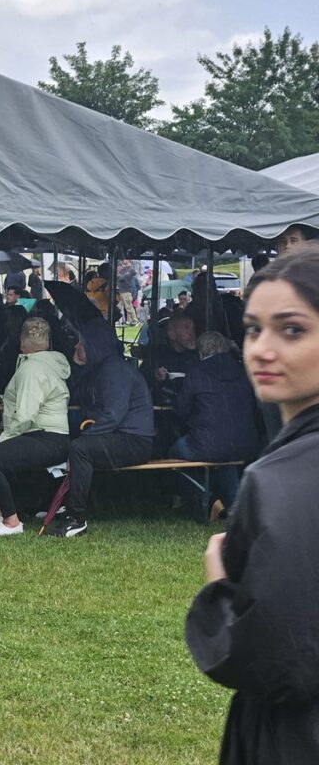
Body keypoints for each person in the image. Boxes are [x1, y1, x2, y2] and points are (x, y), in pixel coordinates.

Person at [185, 248, 319, 765]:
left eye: (292, 330)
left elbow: (276, 659)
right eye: (253, 329)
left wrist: (219, 588)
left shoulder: (282, 479)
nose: (262, 350)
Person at [50, 318, 154, 537]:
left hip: (134, 440)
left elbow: (113, 415)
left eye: (81, 343)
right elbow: (78, 394)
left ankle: (76, 518)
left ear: (93, 346)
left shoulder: (114, 370)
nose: (76, 346)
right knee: (73, 442)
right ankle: (64, 506)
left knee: (81, 449)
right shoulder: (102, 367)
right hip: (124, 435)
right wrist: (78, 366)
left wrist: (88, 434)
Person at [0, 318, 71, 536]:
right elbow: (23, 394)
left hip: (44, 438)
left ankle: (11, 521)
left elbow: (26, 414)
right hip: (51, 437)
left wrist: (5, 438)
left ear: (21, 342)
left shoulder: (31, 369)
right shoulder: (46, 363)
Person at [170, 331, 259, 517]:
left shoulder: (196, 372)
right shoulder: (242, 371)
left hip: (208, 444)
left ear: (201, 352)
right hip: (244, 442)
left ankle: (206, 497)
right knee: (225, 457)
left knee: (173, 453)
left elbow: (180, 410)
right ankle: (235, 507)